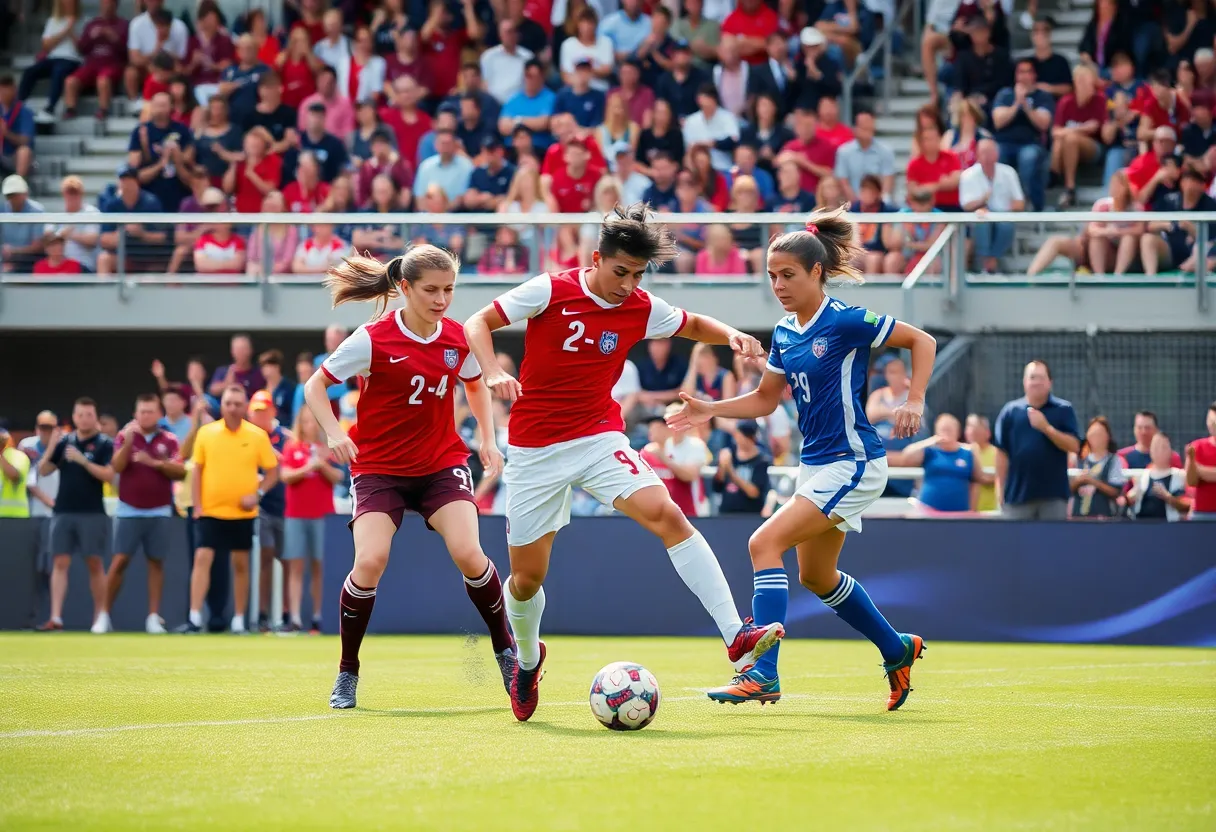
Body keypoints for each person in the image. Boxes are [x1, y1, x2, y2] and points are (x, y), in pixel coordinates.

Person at [464, 203, 784, 722]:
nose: (628, 284)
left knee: (668, 517)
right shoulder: (550, 289)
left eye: (637, 274)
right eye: (620, 272)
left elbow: (692, 323)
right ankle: (527, 659)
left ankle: (736, 635)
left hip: (598, 437)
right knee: (525, 580)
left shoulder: (639, 305)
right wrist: (493, 369)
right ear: (596, 259)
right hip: (534, 450)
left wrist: (730, 335)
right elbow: (477, 321)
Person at [665, 206, 936, 709]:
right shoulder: (786, 333)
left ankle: (762, 671)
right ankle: (897, 649)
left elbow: (922, 340)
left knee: (763, 543)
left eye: (788, 274)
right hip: (818, 465)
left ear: (817, 271)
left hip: (852, 461)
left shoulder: (847, 321)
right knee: (816, 576)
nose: (779, 284)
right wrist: (710, 410)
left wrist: (915, 398)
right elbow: (766, 400)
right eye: (772, 276)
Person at [303, 244, 512, 709]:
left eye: (449, 290)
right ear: (404, 288)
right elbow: (314, 385)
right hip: (379, 469)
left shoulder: (458, 337)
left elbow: (475, 383)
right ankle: (347, 672)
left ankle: (506, 651)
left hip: (440, 462)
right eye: (431, 290)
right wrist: (335, 432)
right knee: (371, 561)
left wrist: (487, 438)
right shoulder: (372, 339)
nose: (442, 299)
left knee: (469, 553)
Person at [179, 385, 279, 633]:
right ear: (221, 406)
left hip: (242, 512)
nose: (233, 408)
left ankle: (238, 619)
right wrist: (198, 505)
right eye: (228, 403)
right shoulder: (206, 433)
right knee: (202, 558)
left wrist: (257, 494)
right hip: (210, 510)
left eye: (237, 403)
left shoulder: (256, 435)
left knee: (241, 563)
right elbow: (197, 470)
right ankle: (194, 616)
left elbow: (273, 471)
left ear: (245, 406)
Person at [93, 394, 184, 634]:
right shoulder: (125, 436)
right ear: (135, 413)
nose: (146, 416)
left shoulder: (169, 440)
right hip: (128, 509)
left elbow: (180, 471)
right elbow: (117, 467)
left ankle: (153, 618)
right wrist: (127, 443)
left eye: (150, 411)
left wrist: (154, 463)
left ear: (159, 414)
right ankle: (103, 616)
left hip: (160, 509)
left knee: (156, 562)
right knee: (120, 561)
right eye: (142, 411)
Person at [36, 398, 115, 631]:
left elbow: (109, 475)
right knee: (59, 561)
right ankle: (56, 617)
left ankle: (101, 617)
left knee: (94, 563)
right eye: (80, 415)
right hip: (63, 511)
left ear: (95, 417)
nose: (84, 419)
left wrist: (83, 462)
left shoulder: (104, 444)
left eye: (89, 414)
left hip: (92, 512)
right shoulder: (65, 442)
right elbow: (43, 470)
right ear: (74, 417)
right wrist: (52, 445)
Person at [993, 360, 1080, 520]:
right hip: (1016, 497)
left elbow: (1074, 446)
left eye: (1041, 377)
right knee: (1016, 544)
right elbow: (1001, 454)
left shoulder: (1063, 410)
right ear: (1025, 382)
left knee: (1053, 544)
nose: (1036, 382)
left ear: (1050, 382)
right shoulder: (1010, 412)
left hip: (1054, 498)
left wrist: (1046, 428)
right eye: (1032, 377)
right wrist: (1000, 491)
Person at [246, 390, 289, 632]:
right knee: (265, 556)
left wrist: (277, 459)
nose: (259, 416)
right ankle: (262, 614)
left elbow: (288, 464)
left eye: (263, 411)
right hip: (260, 505)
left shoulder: (285, 437)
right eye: (256, 412)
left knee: (286, 559)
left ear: (272, 411)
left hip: (284, 506)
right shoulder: (249, 437)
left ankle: (285, 614)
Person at [887, 414, 983, 513]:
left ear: (957, 431)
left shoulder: (967, 453)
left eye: (949, 429)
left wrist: (972, 510)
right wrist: (931, 441)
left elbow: (977, 480)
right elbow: (906, 456)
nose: (946, 433)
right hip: (929, 510)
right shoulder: (930, 452)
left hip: (959, 512)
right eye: (943, 429)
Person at [639, 406, 711, 518]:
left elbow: (689, 475)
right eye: (667, 421)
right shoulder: (656, 448)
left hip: (691, 511)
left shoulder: (695, 445)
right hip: (666, 513)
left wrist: (664, 458)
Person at [1069, 416, 1126, 519]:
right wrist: (1079, 481)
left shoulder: (1113, 461)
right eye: (1093, 434)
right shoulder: (1079, 460)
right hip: (1079, 518)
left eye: (1099, 434)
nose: (1095, 438)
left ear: (1107, 437)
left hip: (1103, 518)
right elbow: (1068, 489)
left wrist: (1093, 482)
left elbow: (1115, 491)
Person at [1127, 433, 1190, 521]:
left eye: (1163, 447)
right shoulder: (1142, 476)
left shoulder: (1179, 476)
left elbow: (1187, 506)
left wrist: (1168, 497)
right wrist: (1130, 497)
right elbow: (1129, 499)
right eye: (1155, 447)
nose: (1159, 451)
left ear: (1170, 451)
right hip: (1142, 525)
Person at [714, 420, 771, 514]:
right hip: (725, 514)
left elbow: (754, 493)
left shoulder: (761, 460)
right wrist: (722, 467)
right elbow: (717, 487)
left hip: (750, 516)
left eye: (740, 436)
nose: (737, 439)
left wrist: (731, 471)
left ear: (750, 438)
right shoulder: (729, 454)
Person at [1185, 402, 1216, 520]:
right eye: (1210, 420)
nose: (1212, 424)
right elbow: (1191, 481)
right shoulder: (1197, 447)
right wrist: (1194, 465)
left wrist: (1201, 471)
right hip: (1201, 514)